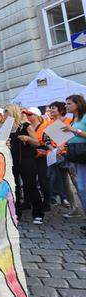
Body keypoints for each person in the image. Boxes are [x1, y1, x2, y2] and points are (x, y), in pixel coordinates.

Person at [6, 104, 45, 225]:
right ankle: (16, 213)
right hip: (12, 161)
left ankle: (38, 213)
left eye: (6, 111)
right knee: (15, 187)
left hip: (26, 160)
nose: (4, 114)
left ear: (13, 112)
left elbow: (36, 142)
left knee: (30, 186)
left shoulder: (25, 126)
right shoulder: (6, 128)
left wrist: (27, 138)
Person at [62, 95, 86, 224]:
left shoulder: (84, 117)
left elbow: (79, 133)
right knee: (81, 189)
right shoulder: (73, 119)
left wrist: (74, 130)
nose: (66, 106)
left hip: (83, 155)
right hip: (75, 156)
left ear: (78, 104)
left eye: (69, 103)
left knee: (82, 188)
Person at [24, 107, 52, 211]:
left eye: (30, 114)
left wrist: (46, 151)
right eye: (27, 114)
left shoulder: (45, 125)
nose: (28, 116)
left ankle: (47, 202)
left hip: (42, 155)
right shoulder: (26, 127)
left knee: (43, 180)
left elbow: (51, 141)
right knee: (29, 180)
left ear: (36, 115)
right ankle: (29, 202)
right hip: (30, 155)